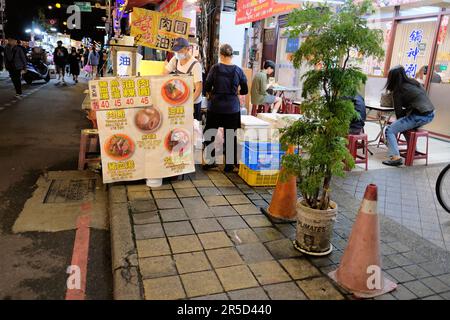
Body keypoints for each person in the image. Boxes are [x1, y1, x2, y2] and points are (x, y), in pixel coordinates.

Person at [203, 44, 249, 172]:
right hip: (232, 108)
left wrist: (211, 93)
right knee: (230, 135)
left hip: (215, 107)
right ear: (231, 56)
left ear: (221, 55)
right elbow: (245, 89)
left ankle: (211, 161)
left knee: (209, 133)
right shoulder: (238, 70)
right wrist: (236, 93)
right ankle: (229, 165)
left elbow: (206, 86)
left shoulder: (215, 68)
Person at [382, 65, 435, 166]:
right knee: (404, 126)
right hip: (430, 113)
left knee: (390, 130)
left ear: (392, 78)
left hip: (419, 115)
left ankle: (395, 157)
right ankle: (413, 150)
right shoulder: (414, 83)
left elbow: (398, 114)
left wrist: (399, 125)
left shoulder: (398, 90)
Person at [163, 37, 203, 121]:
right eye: (176, 51)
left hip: (193, 102)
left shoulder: (196, 65)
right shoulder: (176, 59)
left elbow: (199, 88)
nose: (177, 53)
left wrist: (189, 103)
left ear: (187, 49)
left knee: (193, 128)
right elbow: (164, 73)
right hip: (180, 99)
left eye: (180, 51)